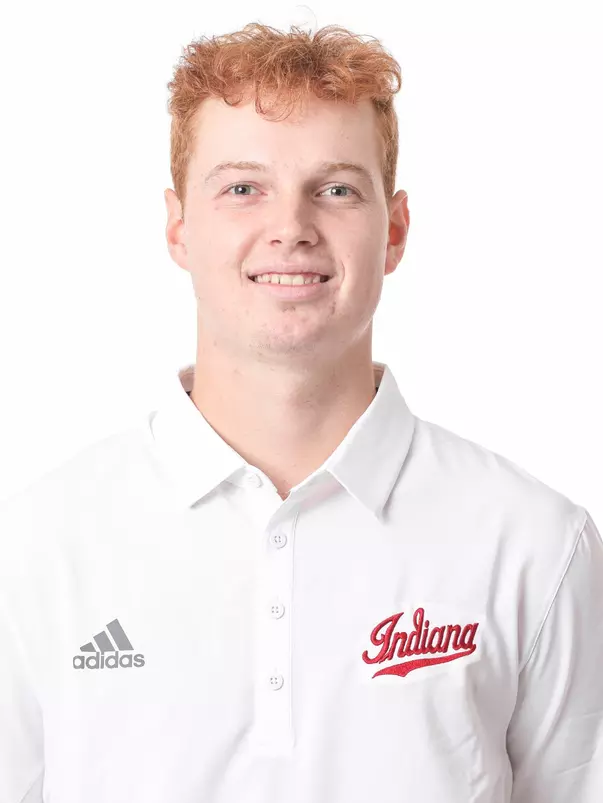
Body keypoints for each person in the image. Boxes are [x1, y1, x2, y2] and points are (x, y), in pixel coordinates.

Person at [0, 20, 601, 803]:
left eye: (337, 189)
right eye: (242, 187)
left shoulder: (535, 545)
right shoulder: (38, 544)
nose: (290, 226)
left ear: (395, 230)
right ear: (179, 225)